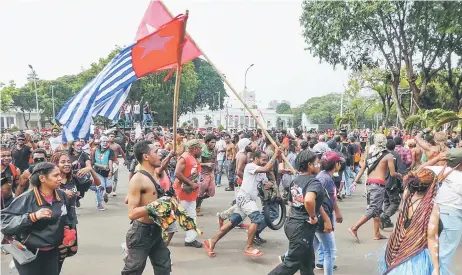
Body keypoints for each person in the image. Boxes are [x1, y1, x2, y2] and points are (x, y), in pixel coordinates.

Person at [1, 162, 76, 275]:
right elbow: (4, 222)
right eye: (55, 175)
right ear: (42, 178)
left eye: (59, 175)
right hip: (29, 252)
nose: (60, 178)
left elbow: (67, 217)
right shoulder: (26, 198)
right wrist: (32, 217)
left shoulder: (62, 196)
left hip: (53, 251)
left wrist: (67, 230)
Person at [203, 149, 280, 258]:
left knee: (233, 222)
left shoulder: (262, 172)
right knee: (257, 219)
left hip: (249, 200)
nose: (265, 162)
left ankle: (212, 241)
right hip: (245, 198)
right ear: (256, 158)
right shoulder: (250, 166)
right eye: (263, 160)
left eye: (267, 160)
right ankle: (249, 246)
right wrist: (275, 154)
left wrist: (270, 178)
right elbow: (266, 168)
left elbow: (267, 180)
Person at [378, 168, 446, 275]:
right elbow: (432, 237)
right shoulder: (431, 207)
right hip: (417, 256)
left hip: (399, 250)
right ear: (432, 187)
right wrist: (436, 268)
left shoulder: (407, 197)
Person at [268, 150, 325, 275]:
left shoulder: (296, 180)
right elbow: (309, 201)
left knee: (307, 262)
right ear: (310, 165)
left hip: (293, 223)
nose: (318, 165)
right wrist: (313, 216)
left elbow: (291, 202)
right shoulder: (313, 182)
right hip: (302, 227)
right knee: (291, 264)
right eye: (316, 163)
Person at [121, 140, 171, 274]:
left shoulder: (153, 174)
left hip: (156, 229)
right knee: (133, 270)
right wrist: (155, 205)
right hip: (141, 233)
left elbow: (128, 198)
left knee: (164, 266)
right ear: (146, 156)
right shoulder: (138, 179)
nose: (160, 154)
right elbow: (131, 213)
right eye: (156, 152)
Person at [349, 134, 401, 242]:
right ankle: (355, 227)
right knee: (373, 209)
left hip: (369, 184)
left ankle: (377, 234)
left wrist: (354, 182)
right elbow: (392, 174)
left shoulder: (370, 156)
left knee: (376, 210)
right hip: (378, 185)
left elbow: (362, 170)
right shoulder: (388, 156)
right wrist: (399, 175)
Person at [424, 148, 462, 273]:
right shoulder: (459, 177)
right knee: (445, 252)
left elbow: (419, 170)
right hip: (453, 215)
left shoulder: (440, 170)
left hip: (435, 212)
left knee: (435, 248)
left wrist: (437, 159)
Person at [313, 152, 344, 274]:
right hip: (322, 218)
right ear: (336, 164)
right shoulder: (323, 179)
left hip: (323, 216)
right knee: (330, 251)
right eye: (339, 162)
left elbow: (331, 197)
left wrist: (337, 211)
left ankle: (292, 260)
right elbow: (315, 200)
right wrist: (326, 220)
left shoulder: (326, 176)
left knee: (313, 246)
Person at [173, 139, 203, 248]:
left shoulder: (193, 158)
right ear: (194, 148)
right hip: (181, 194)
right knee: (173, 217)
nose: (201, 151)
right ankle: (160, 237)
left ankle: (190, 239)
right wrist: (191, 183)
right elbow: (177, 173)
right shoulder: (184, 157)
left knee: (191, 216)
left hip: (191, 194)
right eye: (200, 149)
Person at [90, 136, 115, 211]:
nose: (105, 143)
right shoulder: (95, 151)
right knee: (101, 188)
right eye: (103, 141)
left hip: (108, 172)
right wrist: (102, 166)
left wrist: (110, 171)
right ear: (100, 142)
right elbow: (93, 163)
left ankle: (105, 194)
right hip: (98, 172)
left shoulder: (110, 151)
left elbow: (110, 161)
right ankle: (99, 204)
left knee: (109, 189)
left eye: (107, 142)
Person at [196, 134, 217, 216]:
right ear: (207, 142)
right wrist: (206, 164)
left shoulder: (215, 150)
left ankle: (198, 199)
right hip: (202, 173)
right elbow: (197, 163)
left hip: (211, 173)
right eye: (212, 142)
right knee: (201, 191)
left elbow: (215, 159)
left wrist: (217, 167)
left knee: (211, 192)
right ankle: (197, 207)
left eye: (215, 142)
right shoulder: (201, 151)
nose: (214, 144)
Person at [108, 132, 126, 197]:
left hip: (115, 162)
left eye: (113, 136)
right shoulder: (105, 145)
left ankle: (114, 190)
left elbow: (122, 153)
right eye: (111, 136)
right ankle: (107, 189)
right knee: (107, 176)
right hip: (106, 162)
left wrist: (125, 160)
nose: (112, 137)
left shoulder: (117, 145)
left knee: (115, 177)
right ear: (108, 137)